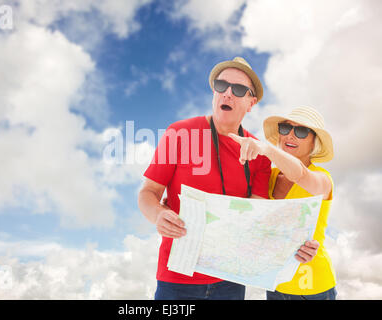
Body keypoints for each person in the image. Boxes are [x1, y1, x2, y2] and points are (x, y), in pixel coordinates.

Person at [138, 57, 272, 300]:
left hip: (230, 280)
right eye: (222, 86)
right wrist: (158, 215)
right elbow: (148, 193)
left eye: (239, 90)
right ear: (214, 92)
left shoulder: (260, 155)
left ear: (251, 103)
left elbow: (256, 213)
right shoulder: (179, 133)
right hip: (177, 279)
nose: (228, 94)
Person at [229, 106, 337, 300]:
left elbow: (300, 174)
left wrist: (266, 149)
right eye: (285, 129)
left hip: (314, 290)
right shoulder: (267, 176)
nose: (291, 136)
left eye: (301, 131)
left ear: (315, 143)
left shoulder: (322, 179)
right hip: (276, 286)